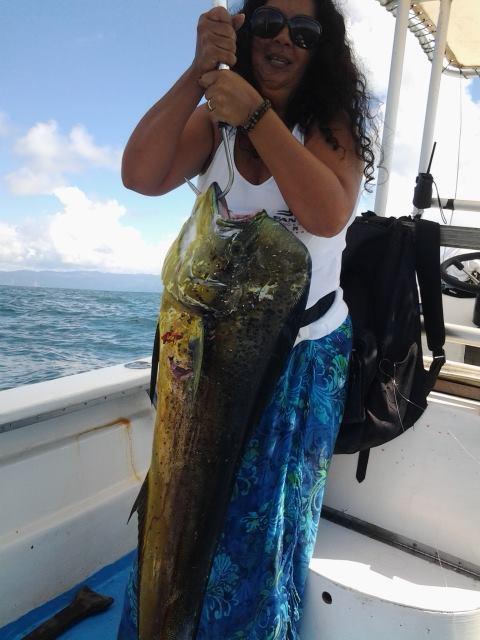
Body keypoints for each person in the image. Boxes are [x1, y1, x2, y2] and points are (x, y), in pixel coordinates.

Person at [118, 0, 376, 637]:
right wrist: (199, 71)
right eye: (267, 24)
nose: (283, 39)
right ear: (244, 32)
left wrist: (255, 114)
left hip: (299, 362)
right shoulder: (215, 124)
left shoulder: (330, 123)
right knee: (175, 513)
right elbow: (139, 175)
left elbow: (326, 215)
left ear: (323, 48)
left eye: (304, 31)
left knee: (259, 527)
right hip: (207, 353)